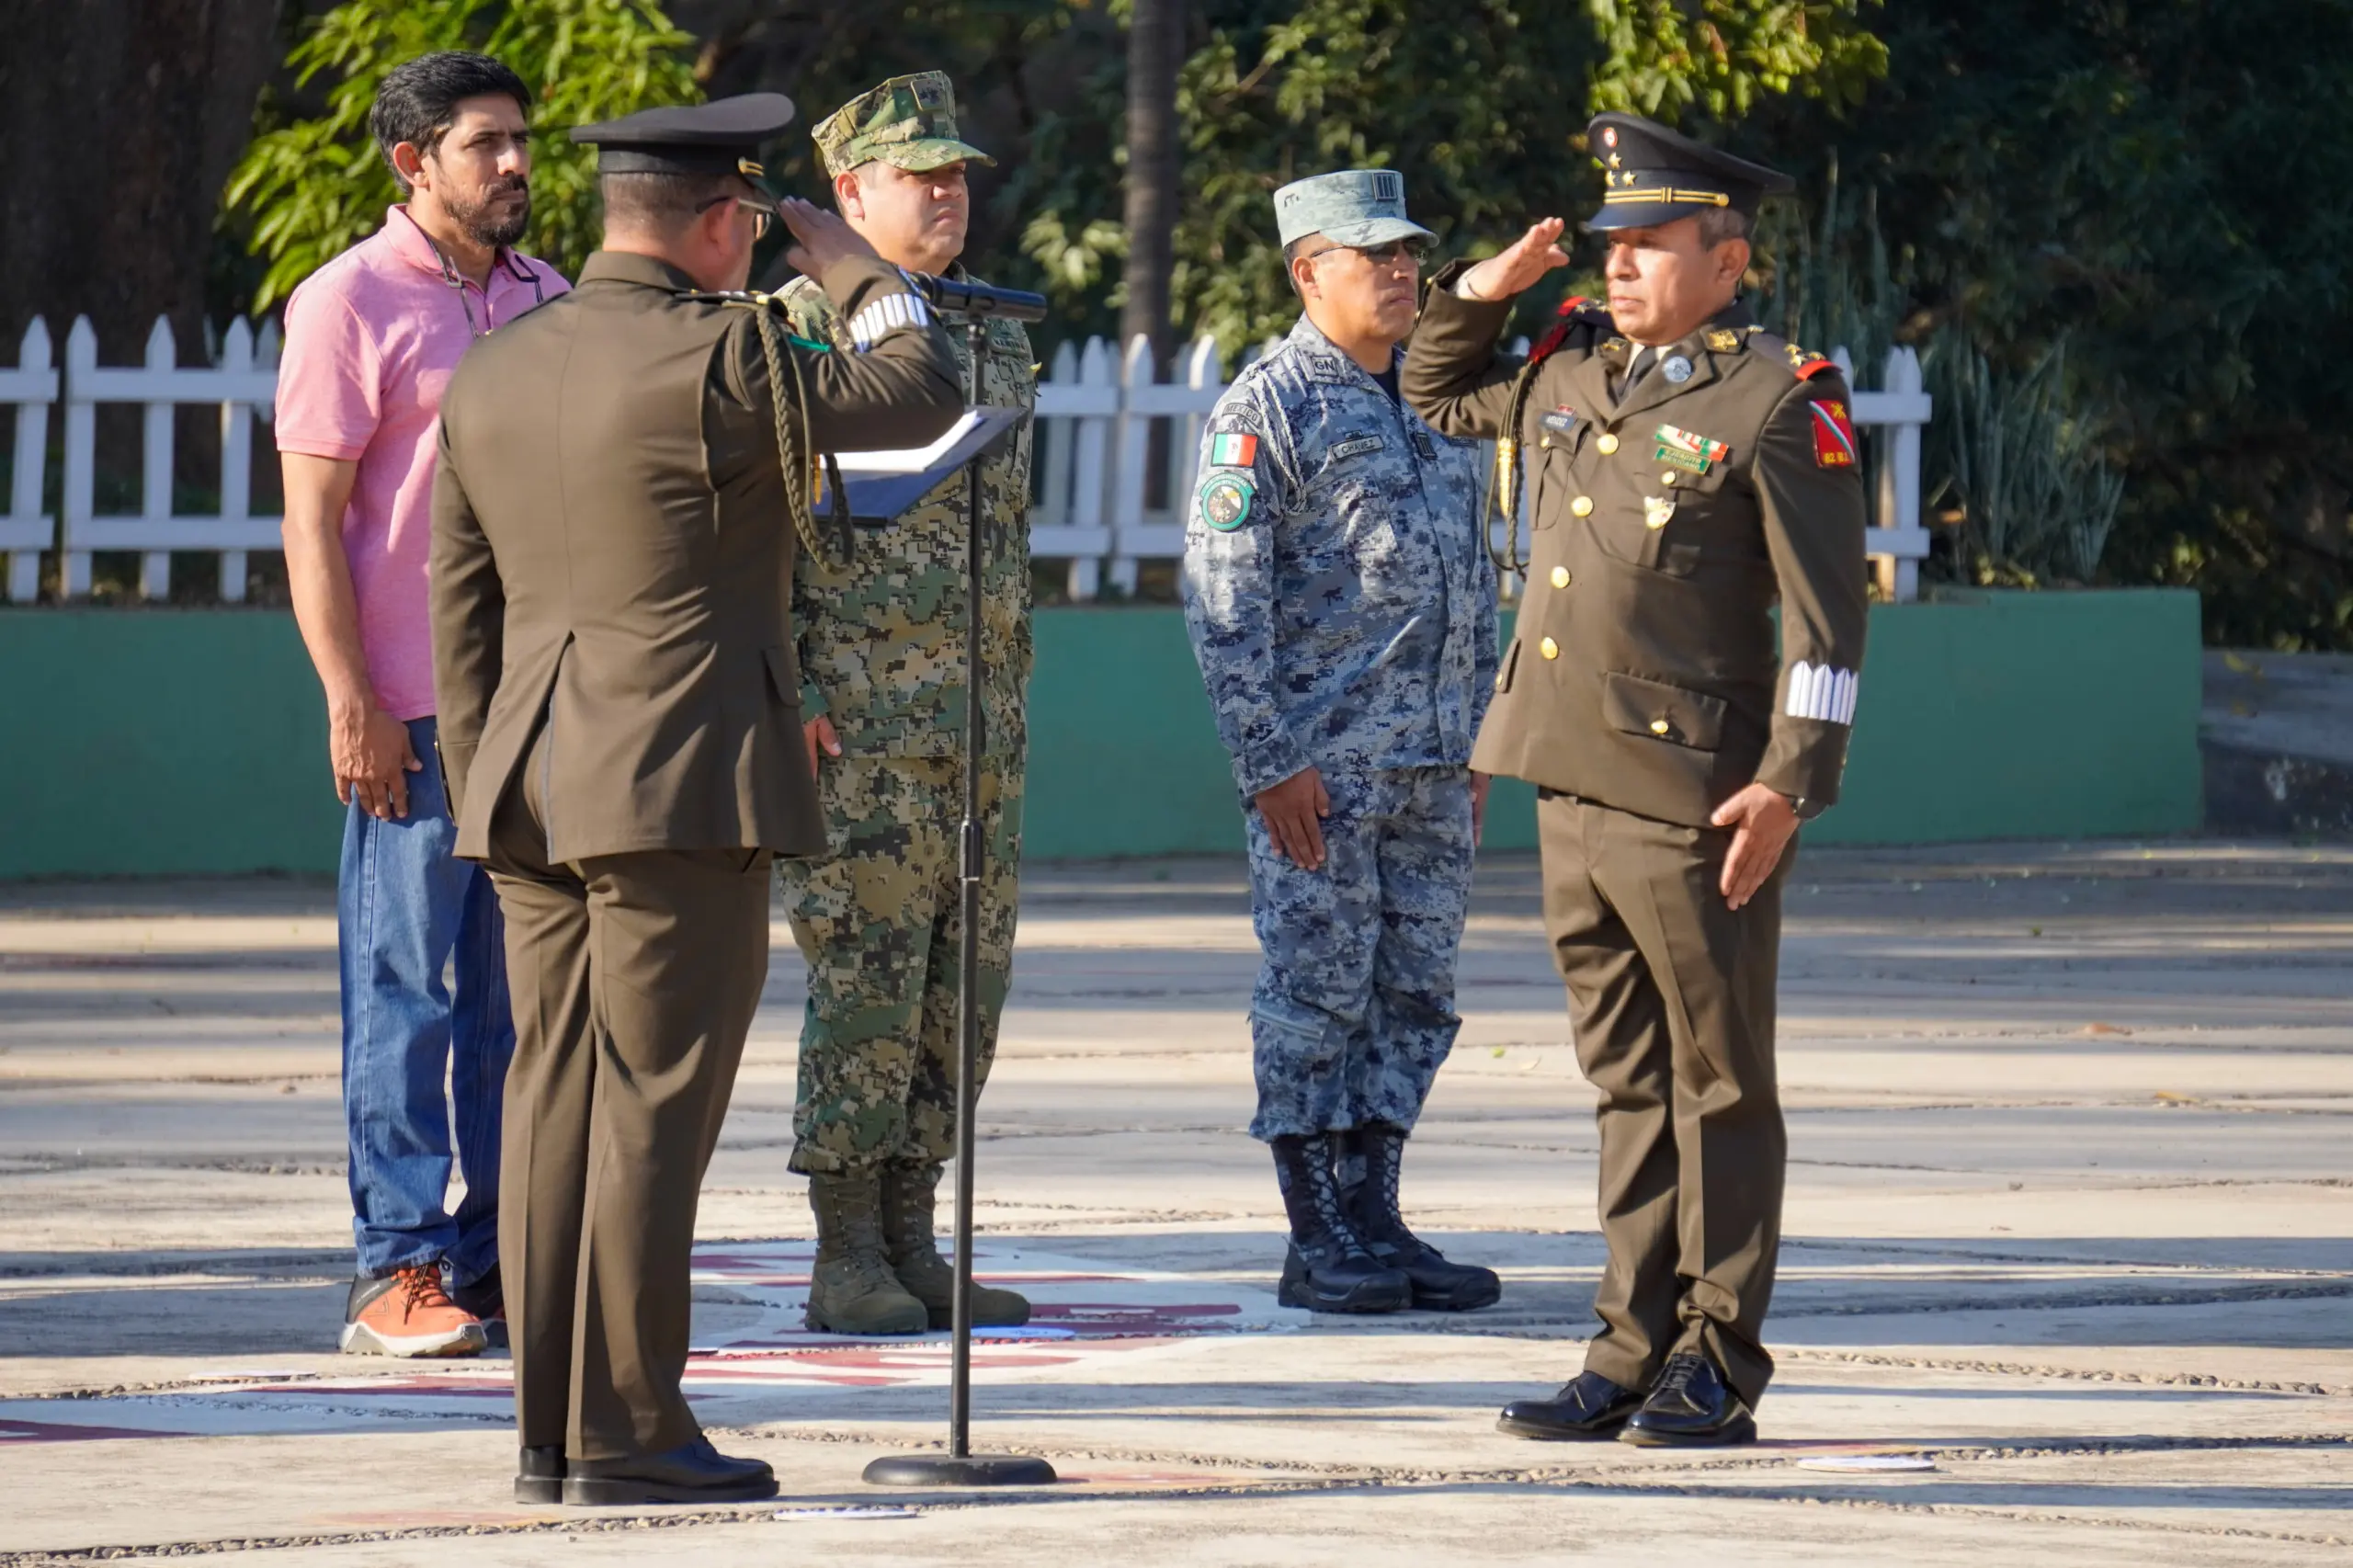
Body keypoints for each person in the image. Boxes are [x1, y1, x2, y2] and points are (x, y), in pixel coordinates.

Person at [427, 93, 962, 1506]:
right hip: (681, 788)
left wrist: (489, 790)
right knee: (653, 1113)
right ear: (727, 223)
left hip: (531, 791)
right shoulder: (726, 355)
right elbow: (927, 384)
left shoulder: (495, 368)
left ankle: (549, 1431)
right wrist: (849, 258)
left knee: (551, 1104)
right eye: (752, 223)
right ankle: (629, 1430)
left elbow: (461, 614)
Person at [1402, 113, 1870, 1446]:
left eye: (1650, 246)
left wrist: (1792, 780)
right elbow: (1437, 390)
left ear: (1729, 263)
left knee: (1717, 1078)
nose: (1617, 266)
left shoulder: (1779, 400)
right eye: (1611, 244)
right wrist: (1477, 294)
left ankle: (1718, 1354)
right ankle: (1629, 1341)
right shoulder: (1567, 371)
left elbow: (1830, 628)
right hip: (1564, 775)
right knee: (1623, 1078)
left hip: (1696, 798)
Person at [276, 50, 565, 1360]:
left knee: (528, 1005)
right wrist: (352, 699)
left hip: (545, 717)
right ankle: (395, 1266)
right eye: (485, 143)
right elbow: (314, 523)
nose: (515, 163)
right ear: (414, 162)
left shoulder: (551, 300)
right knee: (406, 993)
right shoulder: (345, 302)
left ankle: (504, 1255)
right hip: (414, 716)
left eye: (519, 140)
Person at [1182, 169, 1502, 1319]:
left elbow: (1477, 585)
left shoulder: (1439, 398)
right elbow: (1222, 599)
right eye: (1376, 256)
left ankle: (1376, 1211)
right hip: (1322, 771)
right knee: (1316, 992)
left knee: (1413, 993)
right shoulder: (1268, 407)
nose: (1404, 272)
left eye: (1411, 252)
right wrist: (1268, 759)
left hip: (1428, 765)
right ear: (1307, 271)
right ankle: (1315, 1225)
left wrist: (1475, 741)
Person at [772, 72, 1039, 1336]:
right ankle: (842, 1252)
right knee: (867, 983)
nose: (949, 192)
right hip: (859, 731)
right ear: (847, 195)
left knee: (959, 986)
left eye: (958, 172)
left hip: (977, 727)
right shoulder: (790, 332)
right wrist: (797, 685)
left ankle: (911, 1235)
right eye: (919, 174)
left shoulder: (989, 332)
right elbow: (752, 537)